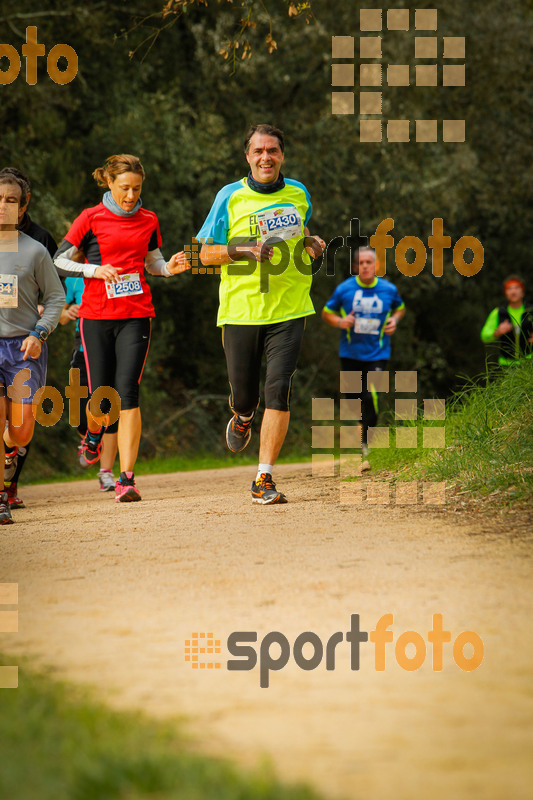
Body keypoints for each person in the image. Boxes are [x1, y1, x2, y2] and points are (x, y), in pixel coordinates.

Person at [197, 123, 325, 504]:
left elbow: (303, 236)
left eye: (272, 150)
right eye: (258, 151)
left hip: (290, 306)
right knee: (245, 395)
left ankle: (263, 477)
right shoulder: (229, 197)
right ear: (248, 157)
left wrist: (314, 243)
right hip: (241, 309)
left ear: (281, 155)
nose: (265, 157)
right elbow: (204, 254)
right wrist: (246, 249)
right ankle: (241, 416)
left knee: (279, 387)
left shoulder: (299, 193)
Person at [54, 154, 190, 503]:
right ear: (110, 183)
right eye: (125, 188)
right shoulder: (90, 217)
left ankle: (126, 478)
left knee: (127, 393)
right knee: (102, 397)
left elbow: (152, 261)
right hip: (96, 316)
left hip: (136, 314)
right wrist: (93, 271)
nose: (131, 195)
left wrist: (168, 268)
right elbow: (59, 258)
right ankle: (94, 435)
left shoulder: (149, 219)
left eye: (137, 188)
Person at [0, 172, 65, 524]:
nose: (3, 207)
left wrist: (39, 332)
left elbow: (55, 297)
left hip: (23, 349)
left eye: (11, 200)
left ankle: (12, 449)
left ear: (23, 206)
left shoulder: (35, 249)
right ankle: (0, 499)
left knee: (21, 429)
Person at [322, 246, 405, 455]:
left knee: (370, 395)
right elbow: (326, 312)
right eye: (361, 263)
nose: (365, 266)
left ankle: (368, 440)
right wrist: (341, 321)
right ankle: (363, 435)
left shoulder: (389, 289)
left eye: (369, 262)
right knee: (353, 399)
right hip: (350, 353)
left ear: (376, 265)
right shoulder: (344, 289)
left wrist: (394, 320)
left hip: (378, 352)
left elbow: (400, 308)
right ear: (355, 266)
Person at [60, 274, 118, 491]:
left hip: (111, 349)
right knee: (78, 414)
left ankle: (107, 473)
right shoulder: (74, 280)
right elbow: (59, 314)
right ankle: (91, 437)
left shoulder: (115, 275)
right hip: (82, 350)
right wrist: (66, 312)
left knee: (109, 409)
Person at [480, 275, 532, 366]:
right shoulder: (499, 312)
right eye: (509, 288)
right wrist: (497, 332)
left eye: (517, 287)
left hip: (529, 362)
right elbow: (484, 336)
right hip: (506, 364)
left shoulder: (531, 311)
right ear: (505, 293)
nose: (513, 291)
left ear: (523, 292)